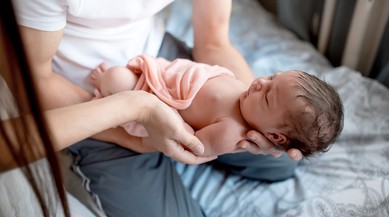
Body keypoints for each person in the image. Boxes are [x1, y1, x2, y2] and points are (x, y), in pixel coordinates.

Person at [12, 0, 304, 217]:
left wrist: (246, 118)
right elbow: (35, 82)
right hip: (90, 95)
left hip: (164, 68)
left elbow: (214, 40)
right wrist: (136, 138)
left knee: (278, 164)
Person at [0, 0, 213, 217]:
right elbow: (33, 81)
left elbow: (215, 41)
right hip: (85, 96)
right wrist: (132, 133)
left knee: (274, 162)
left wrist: (254, 106)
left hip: (159, 60)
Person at [90, 55, 344, 158]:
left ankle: (103, 92)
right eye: (271, 77)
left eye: (267, 95)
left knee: (115, 78)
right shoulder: (249, 100)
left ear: (275, 135)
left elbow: (185, 144)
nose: (258, 82)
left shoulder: (230, 132)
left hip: (154, 97)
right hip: (166, 73)